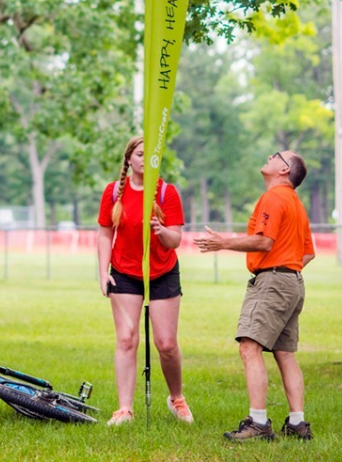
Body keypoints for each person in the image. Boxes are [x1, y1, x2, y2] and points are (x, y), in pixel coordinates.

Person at [194, 150, 315, 442]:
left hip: (273, 282)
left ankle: (258, 424)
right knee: (285, 354)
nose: (269, 157)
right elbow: (308, 252)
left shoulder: (274, 197)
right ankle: (298, 423)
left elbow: (263, 241)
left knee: (249, 347)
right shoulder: (296, 203)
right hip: (293, 282)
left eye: (276, 155)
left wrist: (223, 242)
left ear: (284, 169)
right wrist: (288, 268)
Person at [97, 135, 193, 426]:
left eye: (150, 154)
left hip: (162, 271)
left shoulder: (166, 193)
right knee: (126, 339)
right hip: (124, 272)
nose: (144, 158)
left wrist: (162, 231)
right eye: (139, 154)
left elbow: (176, 239)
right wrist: (103, 272)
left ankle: (176, 398)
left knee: (166, 344)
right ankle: (124, 409)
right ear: (129, 159)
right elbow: (104, 234)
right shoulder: (114, 192)